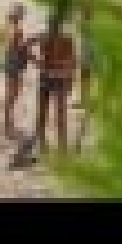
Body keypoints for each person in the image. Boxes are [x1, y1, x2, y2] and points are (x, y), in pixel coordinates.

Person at [32, 15, 77, 153]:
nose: (51, 28)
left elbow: (72, 62)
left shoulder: (46, 38)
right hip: (55, 77)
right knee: (56, 113)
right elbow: (72, 62)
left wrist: (36, 61)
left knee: (48, 112)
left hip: (51, 77)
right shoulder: (64, 39)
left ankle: (47, 144)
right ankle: (56, 145)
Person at [0, 3, 31, 140]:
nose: (22, 17)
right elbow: (20, 48)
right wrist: (29, 50)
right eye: (21, 14)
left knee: (9, 93)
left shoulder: (6, 27)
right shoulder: (17, 30)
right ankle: (7, 127)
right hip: (15, 64)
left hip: (8, 61)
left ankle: (8, 124)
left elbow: (3, 43)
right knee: (13, 94)